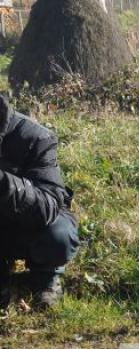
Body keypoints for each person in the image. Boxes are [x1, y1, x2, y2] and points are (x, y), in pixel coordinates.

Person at [0, 95, 80, 309]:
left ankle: (46, 278)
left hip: (28, 225)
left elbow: (48, 205)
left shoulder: (36, 137)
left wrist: (3, 183)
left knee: (59, 235)